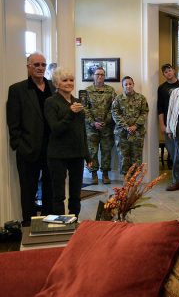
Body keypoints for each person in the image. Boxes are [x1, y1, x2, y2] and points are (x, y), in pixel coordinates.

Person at [6, 52, 55, 225]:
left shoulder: (53, 87)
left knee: (51, 190)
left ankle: (49, 225)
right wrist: (18, 145)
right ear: (28, 67)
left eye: (43, 64)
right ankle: (29, 227)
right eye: (36, 65)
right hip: (28, 149)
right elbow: (13, 122)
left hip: (52, 150)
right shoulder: (17, 89)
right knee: (28, 191)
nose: (40, 68)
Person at [44, 67, 91, 216]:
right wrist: (71, 113)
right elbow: (56, 128)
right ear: (57, 83)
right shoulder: (51, 102)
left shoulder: (77, 101)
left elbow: (81, 130)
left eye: (71, 80)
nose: (69, 83)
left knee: (76, 193)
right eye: (65, 80)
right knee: (58, 194)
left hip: (77, 153)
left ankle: (74, 220)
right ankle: (60, 225)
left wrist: (87, 155)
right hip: (58, 154)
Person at [84, 67, 116, 184]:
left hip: (106, 127)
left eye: (102, 74)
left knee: (106, 150)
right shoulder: (86, 91)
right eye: (97, 74)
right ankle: (93, 174)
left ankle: (105, 174)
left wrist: (105, 121)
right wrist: (93, 122)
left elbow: (114, 108)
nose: (100, 76)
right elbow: (84, 108)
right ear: (93, 75)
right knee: (92, 151)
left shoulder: (111, 90)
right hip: (91, 127)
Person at [112, 76, 149, 174]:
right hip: (122, 133)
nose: (128, 86)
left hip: (137, 133)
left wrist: (135, 125)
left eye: (130, 84)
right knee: (124, 157)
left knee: (136, 158)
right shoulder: (118, 99)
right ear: (123, 86)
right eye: (126, 84)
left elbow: (144, 112)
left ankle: (134, 183)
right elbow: (115, 114)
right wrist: (126, 127)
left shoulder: (141, 98)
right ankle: (126, 182)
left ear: (133, 84)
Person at [157, 63, 179, 169]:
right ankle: (176, 174)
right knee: (171, 148)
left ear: (174, 71)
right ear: (164, 74)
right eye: (165, 72)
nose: (168, 73)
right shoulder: (162, 88)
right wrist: (162, 124)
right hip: (168, 122)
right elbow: (160, 107)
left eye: (169, 70)